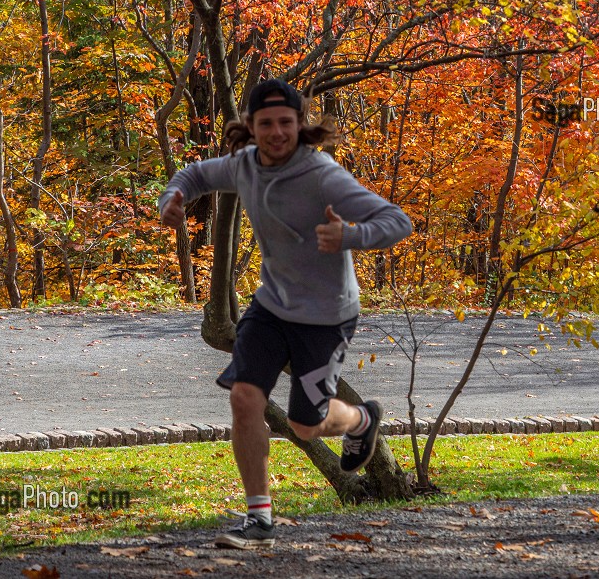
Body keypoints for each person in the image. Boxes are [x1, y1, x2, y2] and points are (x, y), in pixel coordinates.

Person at [159, 79, 412, 550]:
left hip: (326, 316)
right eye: (267, 123)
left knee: (304, 425)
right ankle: (260, 520)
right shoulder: (244, 166)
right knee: (244, 398)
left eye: (286, 123)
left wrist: (350, 237)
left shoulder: (322, 175)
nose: (277, 132)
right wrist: (171, 198)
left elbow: (398, 222)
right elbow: (193, 175)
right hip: (271, 307)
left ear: (301, 125)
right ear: (251, 128)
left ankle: (359, 420)